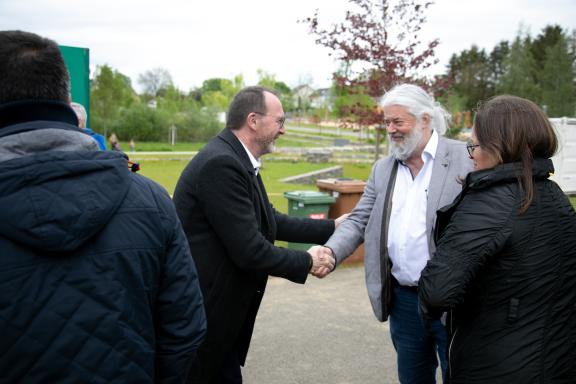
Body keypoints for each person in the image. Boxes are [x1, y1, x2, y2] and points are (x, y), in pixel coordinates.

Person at [0, 30, 206, 383]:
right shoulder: (152, 200)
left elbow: (185, 325)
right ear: (65, 97)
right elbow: (184, 328)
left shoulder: (150, 201)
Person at [173, 86, 339, 383]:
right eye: (279, 121)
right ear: (253, 120)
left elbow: (269, 220)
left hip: (217, 318)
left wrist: (333, 227)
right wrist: (307, 261)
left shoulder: (236, 159)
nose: (283, 130)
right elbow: (250, 249)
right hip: (204, 318)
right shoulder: (221, 164)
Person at [316, 83, 473, 383]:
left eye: (398, 121)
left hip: (453, 301)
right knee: (412, 378)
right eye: (387, 122)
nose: (390, 129)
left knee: (461, 375)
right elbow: (360, 219)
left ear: (424, 120)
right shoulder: (383, 168)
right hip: (403, 301)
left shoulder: (464, 159)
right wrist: (332, 252)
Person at [418, 95, 576, 383]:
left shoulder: (489, 202)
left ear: (501, 145)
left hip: (494, 364)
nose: (471, 155)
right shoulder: (555, 195)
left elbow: (437, 292)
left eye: (474, 145)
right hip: (554, 358)